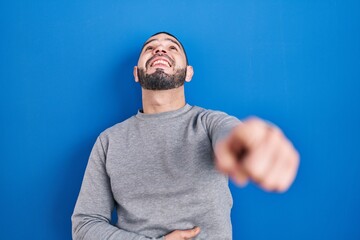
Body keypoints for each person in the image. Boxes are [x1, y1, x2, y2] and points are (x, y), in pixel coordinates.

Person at [72, 32, 299, 240]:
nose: (160, 50)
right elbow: (84, 225)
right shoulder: (109, 141)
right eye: (150, 48)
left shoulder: (211, 123)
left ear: (189, 72)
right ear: (136, 73)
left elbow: (232, 134)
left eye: (172, 48)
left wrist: (248, 143)